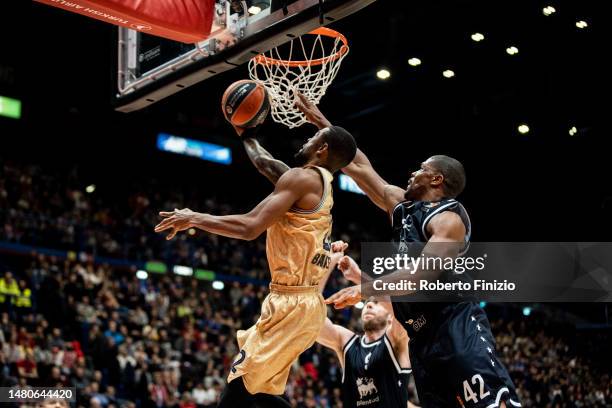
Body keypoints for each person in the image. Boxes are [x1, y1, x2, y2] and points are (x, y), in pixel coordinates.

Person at [296, 95, 520, 408]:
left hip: (455, 326)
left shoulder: (449, 219)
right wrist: (322, 124)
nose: (412, 173)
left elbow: (418, 276)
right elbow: (358, 164)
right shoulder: (401, 207)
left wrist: (364, 289)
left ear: (436, 179)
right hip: (421, 339)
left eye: (421, 169)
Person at [154, 117, 357, 407]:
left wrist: (194, 218)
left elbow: (250, 227)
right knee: (259, 391)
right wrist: (246, 135)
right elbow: (267, 164)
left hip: (293, 305)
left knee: (238, 387)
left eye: (312, 138)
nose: (305, 140)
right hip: (298, 304)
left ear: (322, 148)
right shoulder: (313, 182)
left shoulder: (303, 179)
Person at [317, 254, 420, 408]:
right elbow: (310, 321)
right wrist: (328, 262)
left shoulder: (396, 339)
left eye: (376, 303)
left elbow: (402, 309)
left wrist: (358, 276)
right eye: (367, 303)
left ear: (390, 317)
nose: (369, 305)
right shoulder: (347, 343)